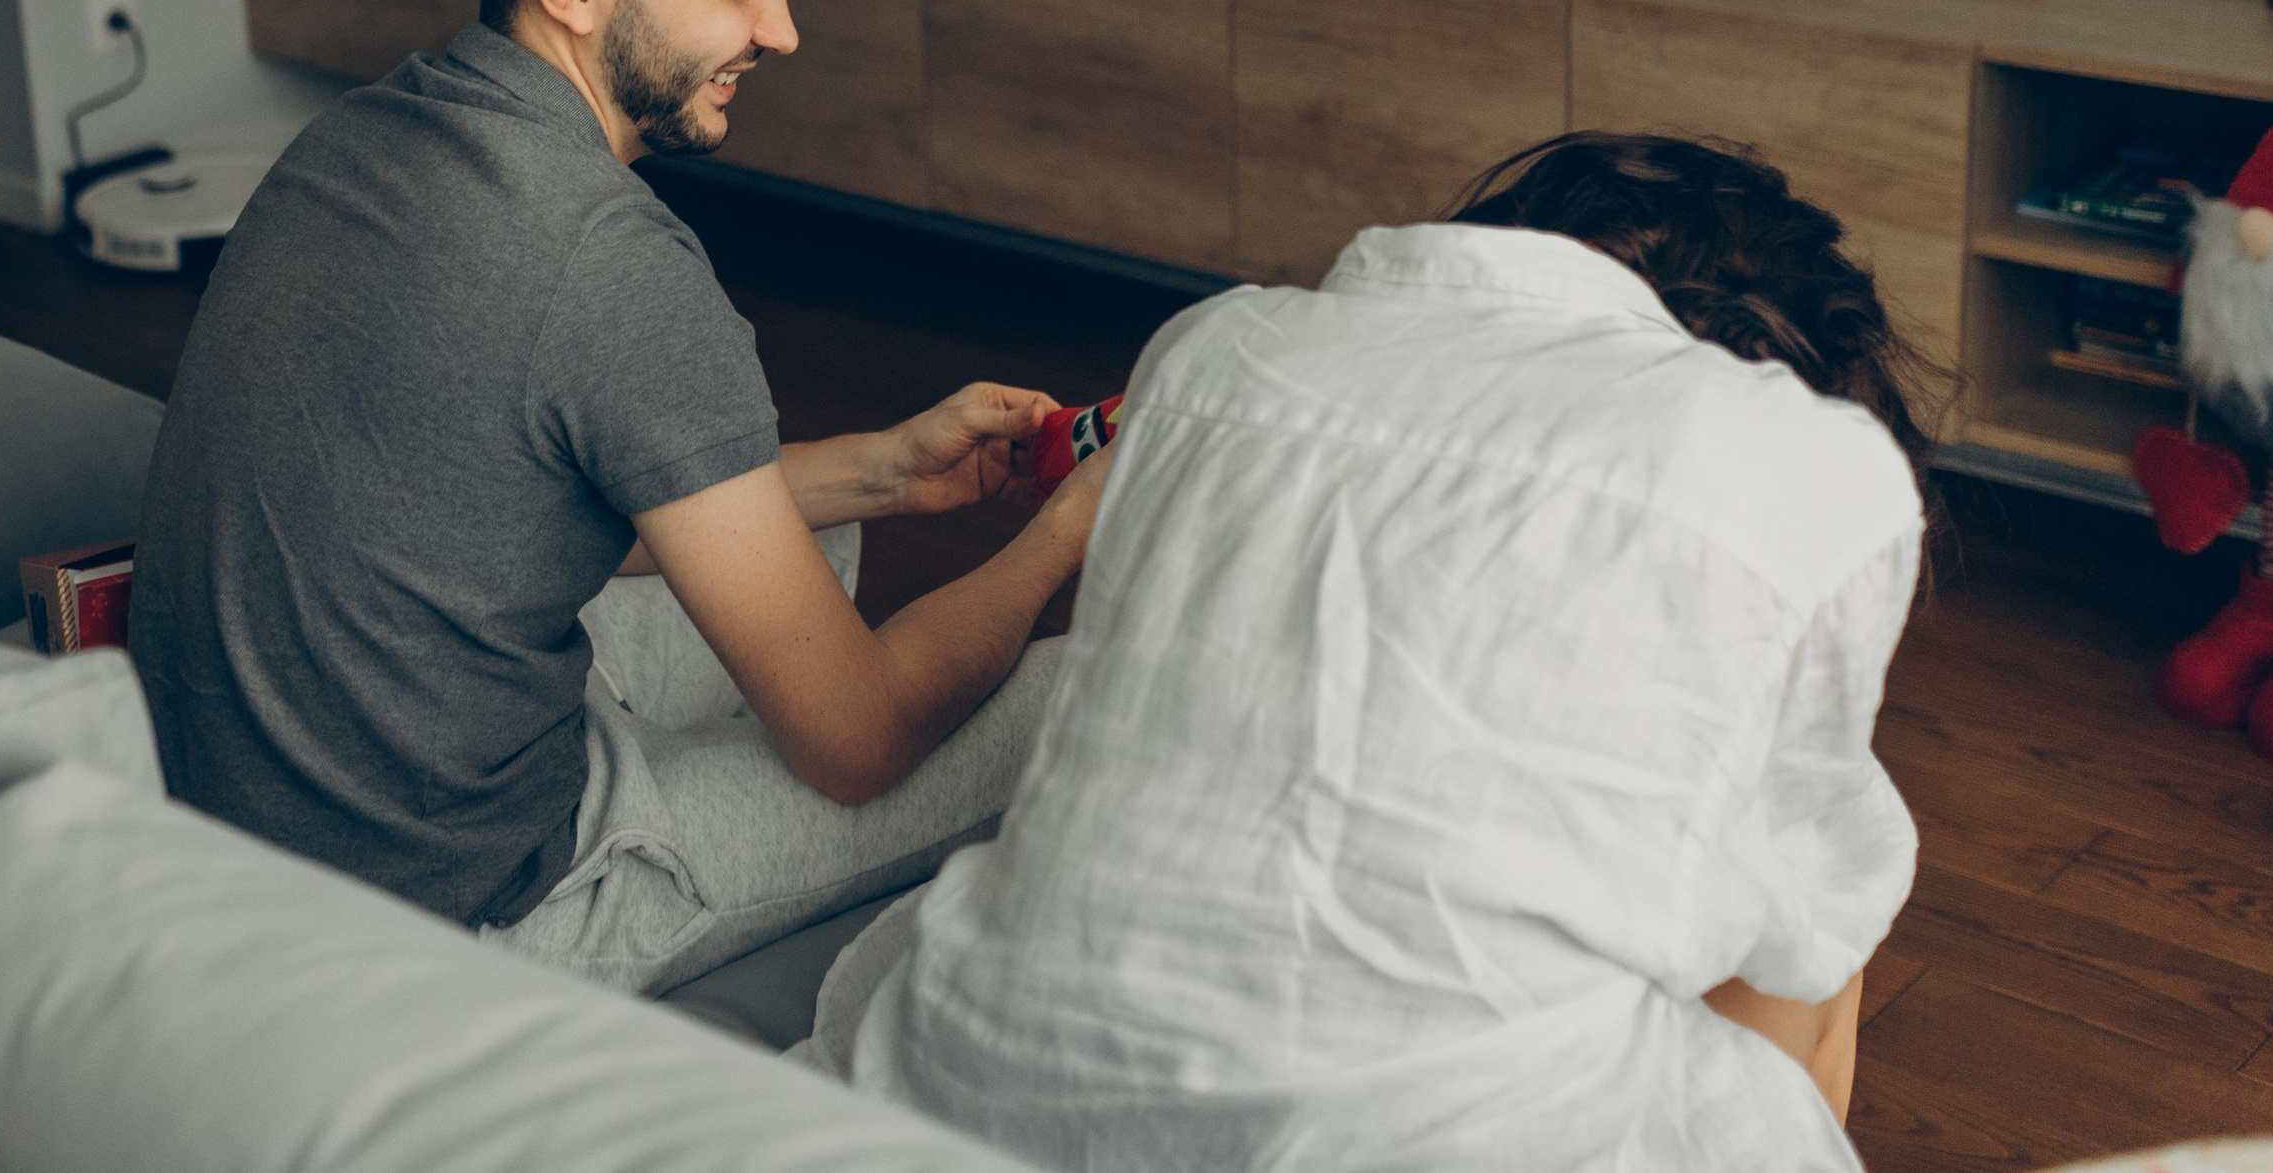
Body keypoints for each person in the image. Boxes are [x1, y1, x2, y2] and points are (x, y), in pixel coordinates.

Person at [128, 0, 1106, 994]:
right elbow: (858, 741)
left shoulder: (353, 139)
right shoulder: (608, 258)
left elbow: (497, 508)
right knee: (1065, 698)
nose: (784, 29)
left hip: (251, 837)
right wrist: (1066, 535)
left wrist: (881, 470)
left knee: (818, 540)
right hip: (460, 913)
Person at [796, 132, 1938, 1173]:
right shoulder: (1802, 464)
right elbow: (1798, 919)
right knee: (1826, 896)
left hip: (972, 1082)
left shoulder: (1212, 345)